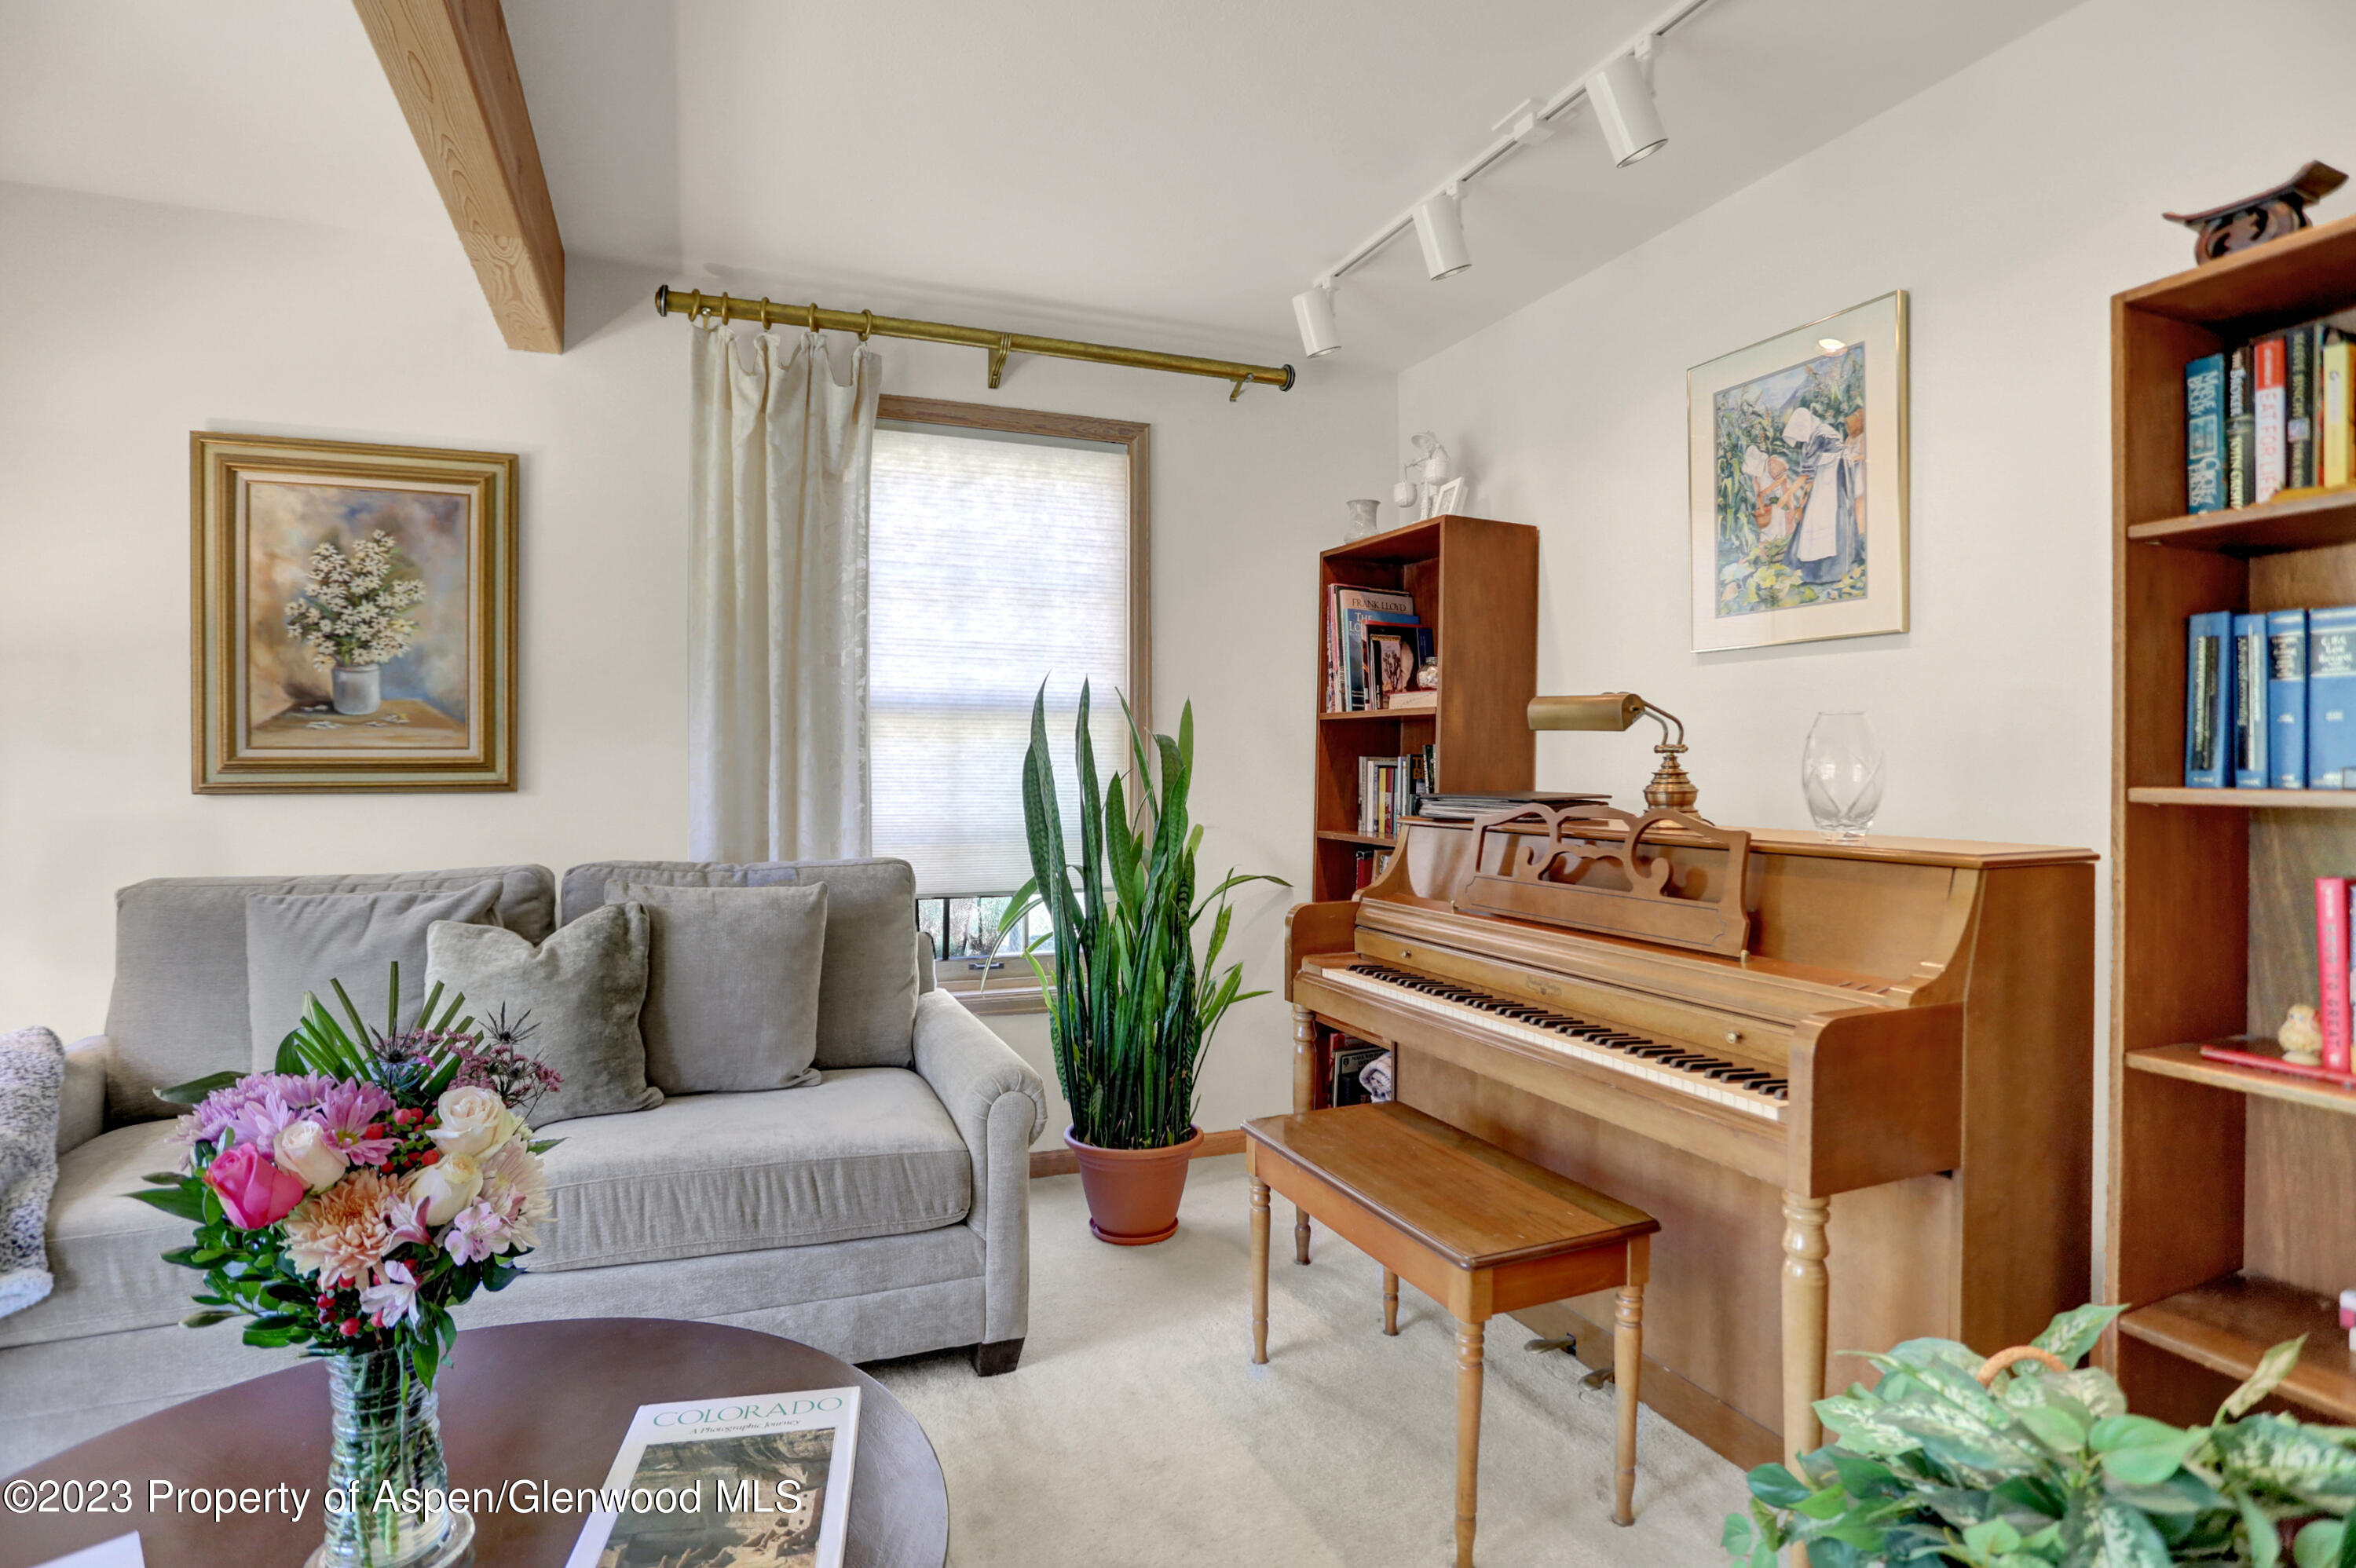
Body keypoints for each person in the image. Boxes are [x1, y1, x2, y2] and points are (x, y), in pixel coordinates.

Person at [1783, 405, 1858, 587]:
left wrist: (1788, 495)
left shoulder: (1820, 436)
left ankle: (1830, 568)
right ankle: (1813, 563)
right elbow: (1809, 475)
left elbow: (1805, 475)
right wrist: (1803, 497)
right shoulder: (1814, 435)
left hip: (1834, 475)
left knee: (1827, 516)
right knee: (1814, 515)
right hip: (1825, 475)